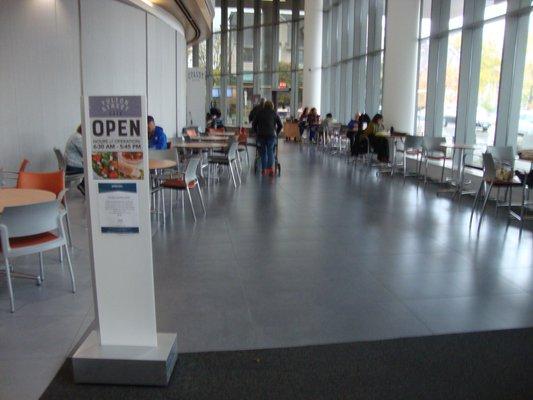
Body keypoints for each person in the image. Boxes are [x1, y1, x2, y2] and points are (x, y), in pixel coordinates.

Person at [252, 100, 282, 176]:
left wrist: (256, 132)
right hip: (271, 135)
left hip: (261, 135)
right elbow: (280, 125)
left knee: (263, 152)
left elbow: (254, 124)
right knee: (270, 151)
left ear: (264, 105)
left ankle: (263, 169)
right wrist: (276, 133)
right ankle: (270, 169)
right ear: (272, 106)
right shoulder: (274, 113)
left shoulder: (259, 113)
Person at [64, 124, 85, 195]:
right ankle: (83, 185)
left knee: (88, 166)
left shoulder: (75, 136)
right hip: (73, 167)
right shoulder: (78, 138)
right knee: (91, 169)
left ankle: (83, 185)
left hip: (69, 165)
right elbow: (85, 153)